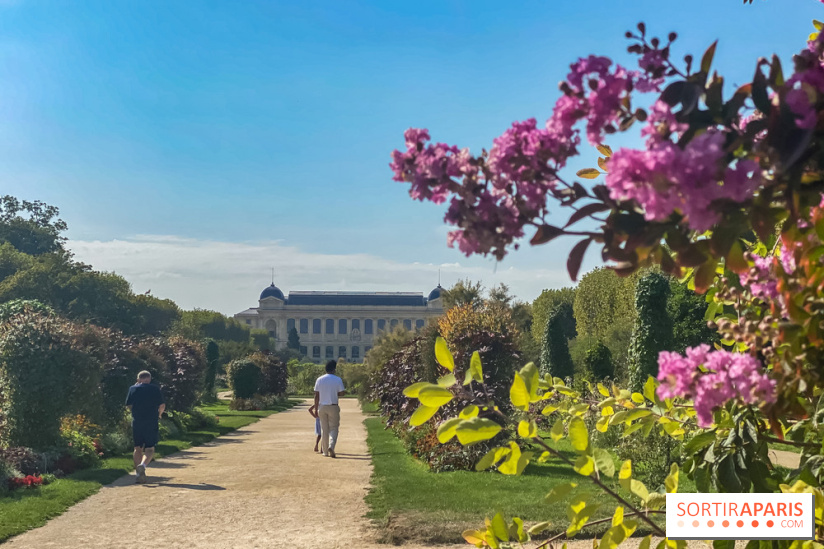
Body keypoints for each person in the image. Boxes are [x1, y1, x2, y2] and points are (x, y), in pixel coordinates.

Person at [125, 370, 165, 484]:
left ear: (138, 379)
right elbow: (162, 405)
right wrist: (159, 414)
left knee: (137, 448)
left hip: (137, 421)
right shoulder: (155, 389)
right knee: (150, 448)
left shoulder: (133, 389)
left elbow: (128, 405)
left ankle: (138, 473)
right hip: (151, 421)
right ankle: (142, 465)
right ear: (149, 379)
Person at [313, 360, 345, 458]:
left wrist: (315, 408)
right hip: (333, 406)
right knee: (334, 428)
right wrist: (336, 393)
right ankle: (331, 446)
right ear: (334, 369)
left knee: (324, 429)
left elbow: (316, 395)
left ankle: (325, 451)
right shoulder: (337, 379)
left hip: (322, 406)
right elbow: (342, 393)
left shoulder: (319, 379)